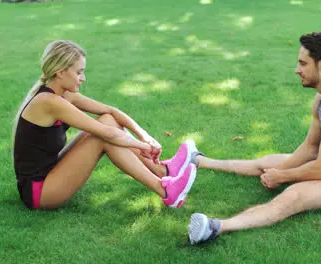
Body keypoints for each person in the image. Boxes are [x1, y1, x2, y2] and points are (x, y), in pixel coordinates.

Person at [187, 31, 321, 244]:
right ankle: (199, 160)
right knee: (267, 163)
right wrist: (280, 170)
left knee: (293, 196)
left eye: (303, 63)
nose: (297, 70)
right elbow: (310, 147)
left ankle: (215, 227)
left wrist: (282, 176)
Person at [13, 40, 198, 210]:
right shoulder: (48, 101)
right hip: (39, 192)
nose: (83, 78)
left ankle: (162, 170)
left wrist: (144, 136)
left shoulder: (63, 95)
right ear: (60, 72)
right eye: (78, 72)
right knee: (102, 137)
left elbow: (111, 111)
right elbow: (107, 135)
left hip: (52, 172)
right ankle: (167, 191)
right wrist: (142, 147)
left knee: (107, 119)